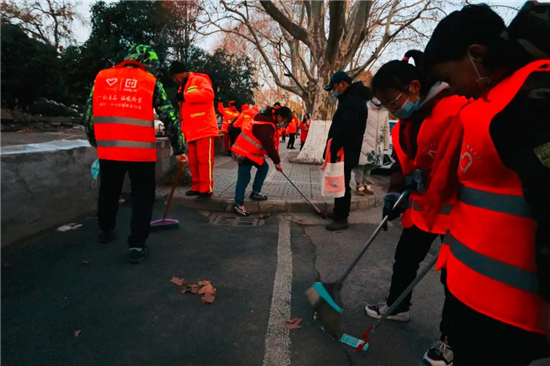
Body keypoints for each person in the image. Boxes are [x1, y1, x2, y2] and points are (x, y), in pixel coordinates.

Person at [422, 3, 550, 365]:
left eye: (449, 77)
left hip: (513, 322)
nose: (455, 90)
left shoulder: (531, 95)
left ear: (476, 55)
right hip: (474, 306)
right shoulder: (499, 97)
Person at [363, 50, 470, 366]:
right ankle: (398, 306)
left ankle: (451, 341)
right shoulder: (408, 122)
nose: (394, 111)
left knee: (453, 280)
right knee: (406, 257)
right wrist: (395, 191)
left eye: (394, 103)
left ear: (413, 87)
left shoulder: (454, 109)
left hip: (456, 211)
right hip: (421, 208)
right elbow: (403, 159)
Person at [83, 45, 187, 264]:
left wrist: (95, 141)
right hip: (140, 153)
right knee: (143, 197)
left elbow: (88, 115)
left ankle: (106, 231)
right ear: (146, 63)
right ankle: (137, 246)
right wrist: (179, 149)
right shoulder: (150, 82)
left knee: (109, 191)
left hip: (110, 149)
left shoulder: (102, 77)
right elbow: (170, 118)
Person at [323, 71, 372, 231]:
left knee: (342, 184)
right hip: (344, 150)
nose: (334, 92)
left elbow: (345, 130)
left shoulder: (352, 103)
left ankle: (342, 218)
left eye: (335, 88)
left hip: (344, 151)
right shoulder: (351, 100)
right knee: (340, 182)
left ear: (343, 84)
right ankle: (338, 212)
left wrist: (333, 148)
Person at [170, 61, 219, 201]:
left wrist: (186, 96)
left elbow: (209, 94)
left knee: (205, 161)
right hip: (192, 131)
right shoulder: (182, 89)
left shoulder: (199, 80)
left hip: (205, 128)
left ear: (182, 72)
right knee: (194, 161)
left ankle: (206, 190)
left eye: (175, 76)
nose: (175, 80)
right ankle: (196, 187)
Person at [231, 106, 292, 216]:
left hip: (251, 153)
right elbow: (268, 145)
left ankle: (255, 192)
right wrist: (277, 162)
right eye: (284, 121)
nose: (284, 124)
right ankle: (238, 204)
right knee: (244, 177)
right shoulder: (265, 125)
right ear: (279, 117)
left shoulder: (266, 119)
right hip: (243, 152)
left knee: (263, 167)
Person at [354, 102, 390, 196]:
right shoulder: (365, 108)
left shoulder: (385, 111)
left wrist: (386, 144)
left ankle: (365, 183)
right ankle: (358, 185)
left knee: (370, 165)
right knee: (361, 165)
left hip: (377, 143)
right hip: (364, 141)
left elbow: (386, 128)